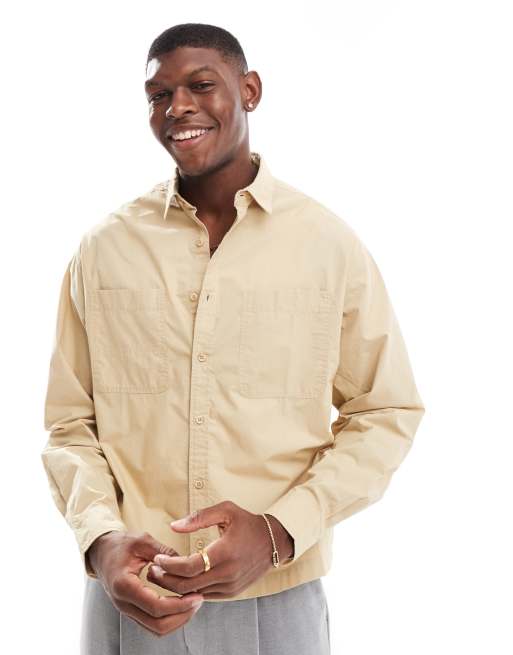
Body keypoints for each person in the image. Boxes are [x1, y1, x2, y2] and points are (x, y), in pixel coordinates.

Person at [41, 22, 425, 655]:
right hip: (130, 598)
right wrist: (100, 539)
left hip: (278, 599)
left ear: (249, 90)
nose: (178, 107)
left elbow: (386, 411)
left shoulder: (327, 246)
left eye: (201, 85)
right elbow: (70, 425)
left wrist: (279, 531)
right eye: (158, 95)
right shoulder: (104, 249)